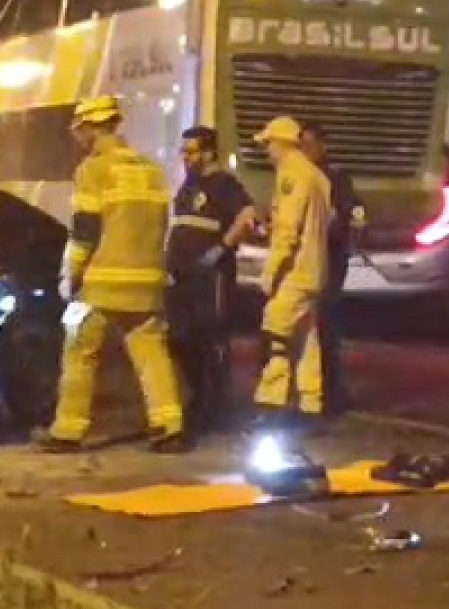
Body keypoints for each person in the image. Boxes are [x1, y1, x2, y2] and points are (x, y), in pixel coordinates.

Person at [33, 95, 188, 453]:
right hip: (147, 279)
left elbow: (85, 229)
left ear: (89, 128)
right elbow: (163, 225)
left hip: (102, 281)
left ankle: (68, 430)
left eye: (80, 130)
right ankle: (170, 425)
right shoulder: (151, 169)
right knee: (151, 352)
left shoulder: (93, 169)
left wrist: (69, 274)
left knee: (79, 350)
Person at [165, 126, 256, 434]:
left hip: (209, 275)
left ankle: (216, 407)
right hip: (180, 275)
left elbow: (247, 217)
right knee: (179, 338)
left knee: (211, 338)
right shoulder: (187, 187)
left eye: (190, 152)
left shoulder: (224, 185)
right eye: (183, 152)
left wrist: (222, 248)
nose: (185, 158)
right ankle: (199, 396)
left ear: (208, 152)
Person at [252, 115, 332, 427]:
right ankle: (311, 404)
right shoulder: (317, 176)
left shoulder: (291, 175)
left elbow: (289, 229)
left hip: (293, 272)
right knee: (306, 340)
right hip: (314, 271)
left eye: (269, 143)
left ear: (282, 143)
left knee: (277, 334)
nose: (267, 150)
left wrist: (270, 272)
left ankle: (270, 406)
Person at [298, 120, 366, 413]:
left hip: (328, 258)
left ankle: (331, 390)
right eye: (302, 145)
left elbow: (353, 211)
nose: (306, 150)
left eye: (311, 144)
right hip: (303, 260)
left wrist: (354, 224)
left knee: (325, 324)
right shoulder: (296, 175)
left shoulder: (335, 178)